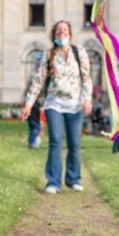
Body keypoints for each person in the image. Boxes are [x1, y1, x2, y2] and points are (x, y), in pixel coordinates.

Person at [21, 20, 93, 193]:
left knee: (74, 143)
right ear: (54, 34)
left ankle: (73, 179)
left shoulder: (79, 52)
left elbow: (86, 77)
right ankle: (53, 182)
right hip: (54, 104)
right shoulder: (48, 55)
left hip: (75, 105)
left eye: (65, 29)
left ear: (70, 33)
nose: (62, 32)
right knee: (55, 142)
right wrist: (29, 104)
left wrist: (87, 99)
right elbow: (38, 81)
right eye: (58, 29)